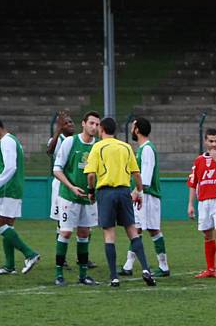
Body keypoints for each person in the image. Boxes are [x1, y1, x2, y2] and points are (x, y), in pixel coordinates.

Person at [84, 117, 156, 287]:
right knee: (132, 230)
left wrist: (91, 191)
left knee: (109, 234)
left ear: (101, 129)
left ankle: (114, 277)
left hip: (106, 192)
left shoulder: (97, 147)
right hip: (124, 192)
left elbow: (91, 175)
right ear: (115, 131)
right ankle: (146, 268)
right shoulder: (126, 147)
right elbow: (136, 174)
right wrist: (139, 191)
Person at [0, 118, 41, 275]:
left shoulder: (6, 141)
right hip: (14, 189)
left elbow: (10, 167)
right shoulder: (12, 140)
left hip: (7, 190)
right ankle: (9, 265)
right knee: (8, 226)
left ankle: (30, 254)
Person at [52, 112, 101, 286]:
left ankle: (83, 275)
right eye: (91, 123)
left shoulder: (99, 146)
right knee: (65, 232)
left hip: (88, 199)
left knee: (84, 234)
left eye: (97, 124)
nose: (94, 127)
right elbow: (57, 169)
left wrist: (94, 191)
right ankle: (59, 274)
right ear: (83, 124)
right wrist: (72, 187)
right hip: (68, 196)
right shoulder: (70, 142)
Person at [120, 117, 170, 278]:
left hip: (147, 196)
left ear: (137, 130)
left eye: (133, 127)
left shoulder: (147, 149)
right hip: (145, 195)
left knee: (143, 229)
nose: (131, 130)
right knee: (142, 228)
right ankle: (131, 265)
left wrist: (136, 192)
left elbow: (146, 177)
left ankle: (161, 266)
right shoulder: (143, 149)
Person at [187, 128, 216, 279]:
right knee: (207, 235)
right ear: (205, 141)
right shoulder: (198, 160)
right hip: (204, 202)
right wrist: (190, 204)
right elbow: (193, 183)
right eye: (211, 141)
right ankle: (210, 270)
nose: (214, 144)